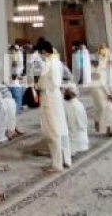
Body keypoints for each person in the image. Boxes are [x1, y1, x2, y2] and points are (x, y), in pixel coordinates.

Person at [37, 41, 71, 172]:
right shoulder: (58, 62)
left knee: (53, 130)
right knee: (62, 126)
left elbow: (42, 82)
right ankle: (66, 159)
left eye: (41, 53)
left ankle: (57, 164)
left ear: (44, 52)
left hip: (49, 97)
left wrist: (37, 86)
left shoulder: (48, 63)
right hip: (56, 95)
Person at [90, 59, 112, 137]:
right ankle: (98, 123)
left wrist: (110, 93)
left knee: (109, 108)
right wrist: (109, 94)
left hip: (104, 90)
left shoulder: (108, 69)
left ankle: (109, 129)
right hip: (98, 90)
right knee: (100, 107)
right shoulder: (99, 69)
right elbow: (102, 82)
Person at [63, 84, 89, 156]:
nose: (65, 93)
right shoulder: (76, 103)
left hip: (74, 134)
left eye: (67, 92)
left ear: (72, 94)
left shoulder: (72, 105)